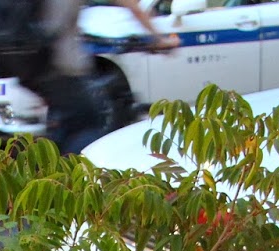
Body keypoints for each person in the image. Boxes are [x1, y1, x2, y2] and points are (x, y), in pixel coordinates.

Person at [20, 0, 175, 155]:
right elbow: (132, 6)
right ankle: (79, 172)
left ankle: (52, 166)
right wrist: (160, 39)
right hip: (62, 68)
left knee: (65, 125)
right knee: (91, 126)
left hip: (30, 65)